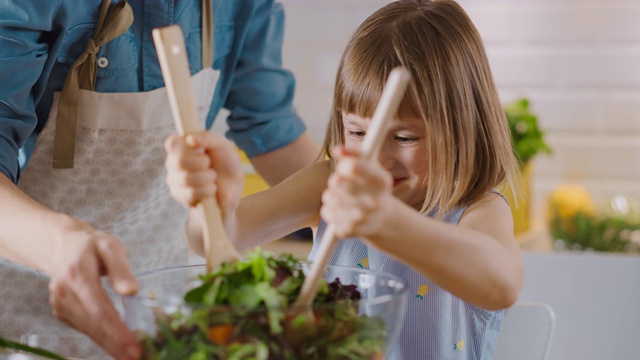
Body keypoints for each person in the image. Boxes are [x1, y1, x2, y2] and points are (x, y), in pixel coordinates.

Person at [165, 0, 525, 359]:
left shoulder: (477, 206)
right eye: (356, 132)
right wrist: (214, 205)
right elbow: (214, 238)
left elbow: (501, 284)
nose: (376, 158)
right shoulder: (330, 183)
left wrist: (384, 221)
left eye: (404, 138)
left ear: (464, 130)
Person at [0, 0, 318, 359]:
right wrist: (62, 246)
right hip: (22, 308)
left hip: (162, 313)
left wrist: (367, 197)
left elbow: (272, 128)